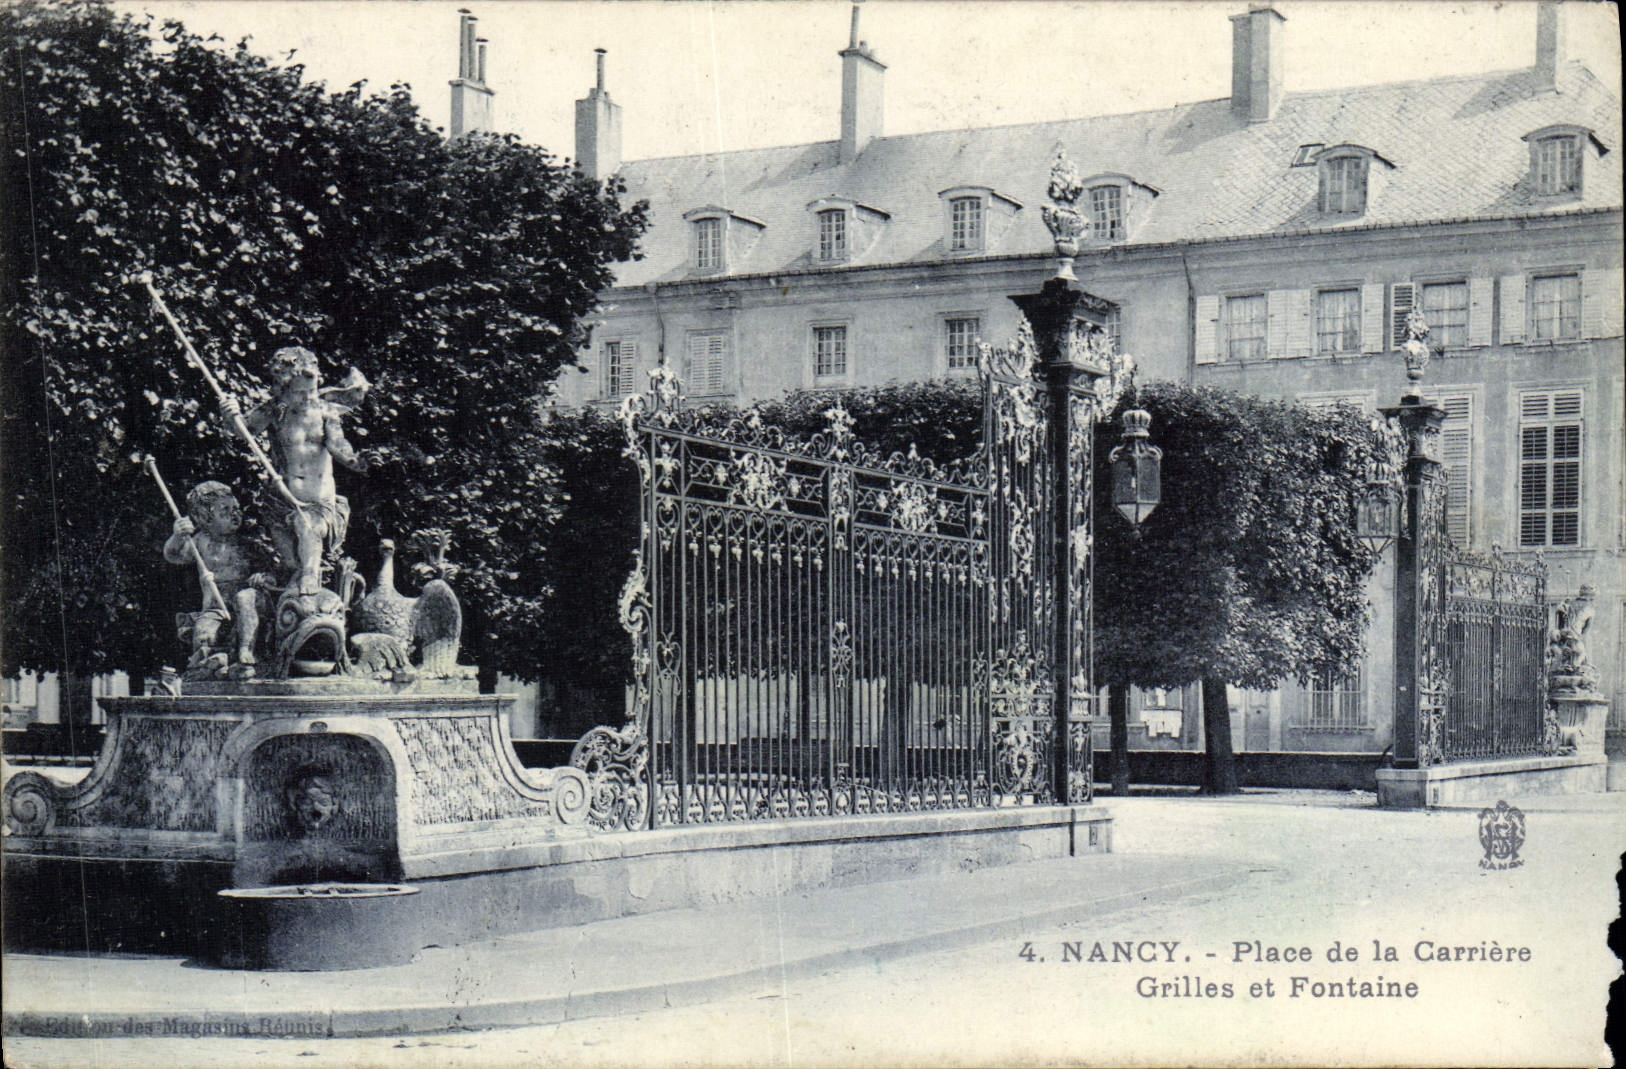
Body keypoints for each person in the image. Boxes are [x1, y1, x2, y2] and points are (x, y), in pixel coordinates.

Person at [220, 347, 368, 596]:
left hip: (316, 501)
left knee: (306, 531)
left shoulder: (324, 410)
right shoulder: (275, 411)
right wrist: (229, 414)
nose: (307, 397)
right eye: (299, 392)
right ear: (282, 389)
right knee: (290, 563)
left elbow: (337, 444)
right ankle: (294, 594)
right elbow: (244, 430)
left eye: (311, 390)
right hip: (281, 500)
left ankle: (312, 578)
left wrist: (354, 460)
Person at [163, 481, 273, 677]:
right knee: (204, 634)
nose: (234, 513)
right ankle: (213, 662)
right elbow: (173, 555)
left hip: (248, 605)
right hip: (215, 607)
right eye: (225, 510)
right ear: (204, 518)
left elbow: (271, 574)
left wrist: (262, 578)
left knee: (244, 598)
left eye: (236, 508)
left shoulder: (247, 544)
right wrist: (177, 536)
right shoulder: (200, 542)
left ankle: (245, 651)